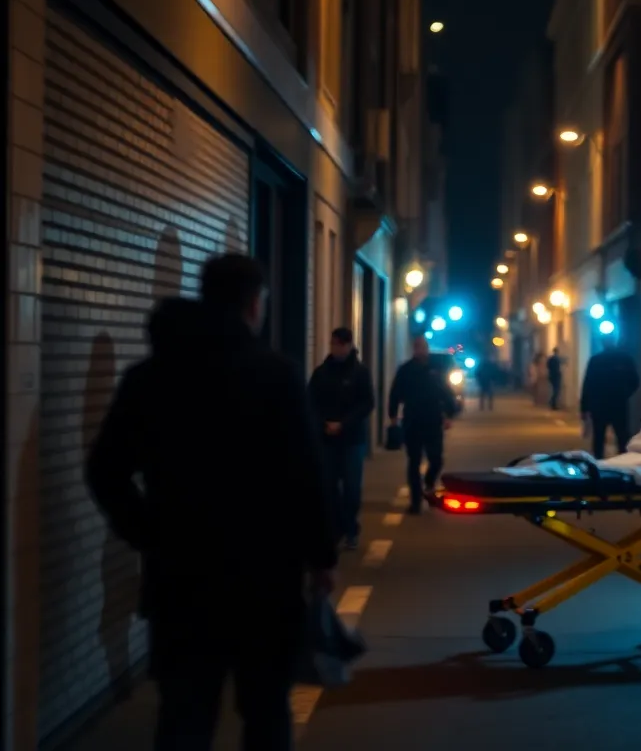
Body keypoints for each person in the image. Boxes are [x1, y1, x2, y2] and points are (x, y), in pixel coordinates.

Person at [86, 254, 336, 751]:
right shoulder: (275, 375)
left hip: (180, 577)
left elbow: (104, 470)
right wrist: (321, 557)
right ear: (253, 303)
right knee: (265, 712)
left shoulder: (149, 377)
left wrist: (150, 533)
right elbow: (307, 476)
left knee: (184, 714)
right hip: (265, 578)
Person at [308, 327, 375, 551]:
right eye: (333, 343)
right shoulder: (321, 373)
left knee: (351, 488)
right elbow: (310, 402)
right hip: (327, 440)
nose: (335, 348)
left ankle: (351, 528)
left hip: (352, 440)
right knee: (329, 487)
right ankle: (338, 529)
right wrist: (322, 425)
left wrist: (343, 424)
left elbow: (367, 403)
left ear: (348, 345)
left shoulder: (360, 373)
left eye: (339, 344)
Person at [388, 335, 459, 513]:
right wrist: (393, 416)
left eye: (423, 347)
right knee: (414, 461)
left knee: (436, 459)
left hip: (433, 420)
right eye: (417, 347)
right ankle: (415, 501)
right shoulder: (405, 370)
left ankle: (428, 481)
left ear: (426, 349)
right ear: (414, 349)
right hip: (412, 421)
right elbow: (395, 393)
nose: (420, 350)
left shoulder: (435, 369)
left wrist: (450, 414)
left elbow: (446, 392)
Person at [580, 335, 640, 459]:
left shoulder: (595, 360)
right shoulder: (625, 359)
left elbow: (588, 384)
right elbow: (635, 381)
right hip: (619, 404)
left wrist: (584, 408)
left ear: (601, 342)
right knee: (622, 436)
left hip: (599, 405)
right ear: (615, 341)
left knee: (599, 437)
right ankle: (624, 463)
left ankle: (598, 466)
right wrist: (625, 394)